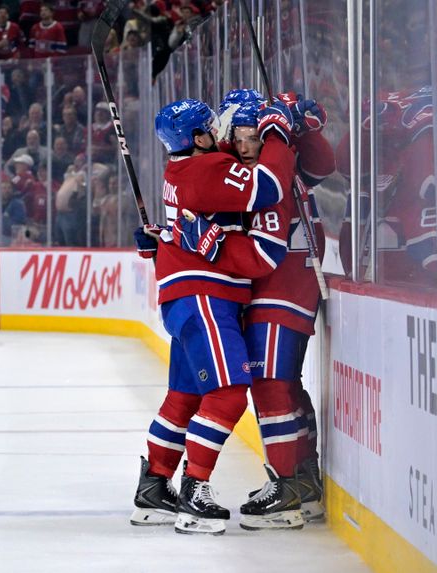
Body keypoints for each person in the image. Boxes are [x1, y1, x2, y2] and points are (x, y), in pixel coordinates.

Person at [129, 97, 295, 535]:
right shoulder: (208, 170)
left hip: (182, 297)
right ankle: (194, 491)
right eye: (212, 128)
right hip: (206, 295)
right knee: (228, 393)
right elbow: (269, 187)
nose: (222, 133)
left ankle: (154, 488)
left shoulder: (184, 168)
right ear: (199, 138)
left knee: (183, 397)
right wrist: (277, 130)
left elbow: (191, 217)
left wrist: (163, 238)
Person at [214, 90, 334, 527]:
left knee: (269, 386)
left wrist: (301, 128)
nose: (241, 145)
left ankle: (286, 490)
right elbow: (322, 167)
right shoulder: (281, 160)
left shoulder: (270, 173)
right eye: (236, 136)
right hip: (288, 288)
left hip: (280, 290)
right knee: (284, 386)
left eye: (250, 135)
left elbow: (320, 166)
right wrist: (300, 129)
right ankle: (302, 482)